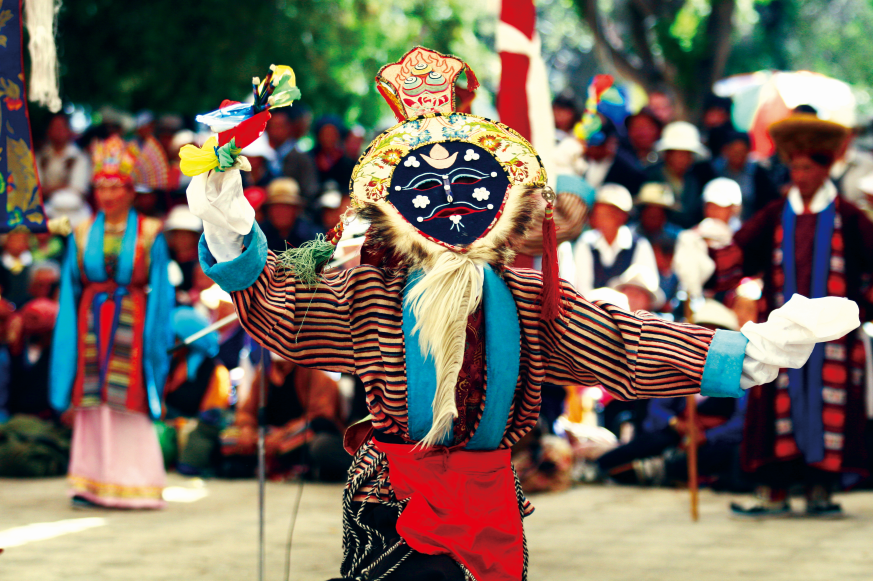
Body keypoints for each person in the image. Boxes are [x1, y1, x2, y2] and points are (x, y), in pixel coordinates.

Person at [187, 47, 854, 580]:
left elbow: (623, 344)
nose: (449, 202)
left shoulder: (527, 297)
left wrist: (748, 351)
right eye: (425, 187)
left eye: (469, 186)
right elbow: (283, 309)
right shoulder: (372, 288)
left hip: (489, 509)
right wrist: (230, 228)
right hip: (395, 504)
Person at [702, 113, 873, 517]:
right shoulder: (776, 213)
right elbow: (739, 253)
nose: (799, 174)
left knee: (827, 406)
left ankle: (819, 490)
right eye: (794, 166)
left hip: (832, 339)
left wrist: (858, 309)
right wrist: (708, 254)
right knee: (774, 401)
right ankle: (773, 491)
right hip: (782, 330)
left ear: (825, 168)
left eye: (807, 167)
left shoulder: (849, 216)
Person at [50, 136, 175, 509]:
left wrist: (156, 339)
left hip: (134, 321)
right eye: (101, 186)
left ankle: (136, 483)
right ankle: (90, 483)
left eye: (115, 186)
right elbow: (71, 288)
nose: (107, 194)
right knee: (92, 399)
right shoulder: (81, 231)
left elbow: (162, 293)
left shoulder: (152, 232)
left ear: (131, 190)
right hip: (90, 319)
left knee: (129, 396)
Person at [598, 300, 748, 490]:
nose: (709, 342)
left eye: (715, 335)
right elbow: (658, 408)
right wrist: (677, 424)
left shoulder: (738, 375)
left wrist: (706, 436)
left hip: (714, 439)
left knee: (721, 453)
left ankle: (660, 469)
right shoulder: (682, 367)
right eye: (704, 333)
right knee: (650, 442)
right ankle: (604, 464)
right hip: (678, 433)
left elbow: (740, 421)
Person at [220, 355, 348, 481]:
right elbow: (247, 411)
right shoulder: (264, 373)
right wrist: (246, 428)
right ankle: (270, 461)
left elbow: (321, 415)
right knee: (227, 438)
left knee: (312, 437)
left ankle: (266, 462)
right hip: (268, 434)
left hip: (297, 433)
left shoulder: (313, 372)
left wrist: (283, 434)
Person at [574, 183, 658, 296]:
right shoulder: (586, 242)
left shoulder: (640, 245)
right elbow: (582, 287)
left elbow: (646, 288)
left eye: (607, 214)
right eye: (599, 214)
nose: (601, 219)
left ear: (623, 216)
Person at [646, 121, 716, 227]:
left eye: (687, 155)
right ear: (667, 155)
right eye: (678, 154)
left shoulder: (693, 182)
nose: (682, 160)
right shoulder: (652, 177)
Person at [713, 131, 779, 220]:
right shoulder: (715, 169)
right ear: (726, 150)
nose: (737, 156)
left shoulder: (759, 173)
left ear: (748, 152)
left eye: (741, 152)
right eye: (734, 151)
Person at [581, 117, 646, 195]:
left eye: (597, 146)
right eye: (588, 144)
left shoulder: (629, 170)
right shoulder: (580, 158)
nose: (591, 149)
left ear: (611, 142)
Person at [259, 177, 323, 252]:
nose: (281, 212)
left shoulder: (314, 237)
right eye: (276, 207)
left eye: (286, 207)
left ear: (296, 209)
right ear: (269, 210)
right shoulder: (258, 236)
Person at [35, 113, 90, 199]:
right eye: (55, 127)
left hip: (71, 207)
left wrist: (49, 190)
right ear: (48, 131)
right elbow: (36, 188)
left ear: (69, 131)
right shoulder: (41, 156)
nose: (58, 131)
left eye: (62, 127)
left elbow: (78, 189)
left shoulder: (79, 157)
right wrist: (63, 187)